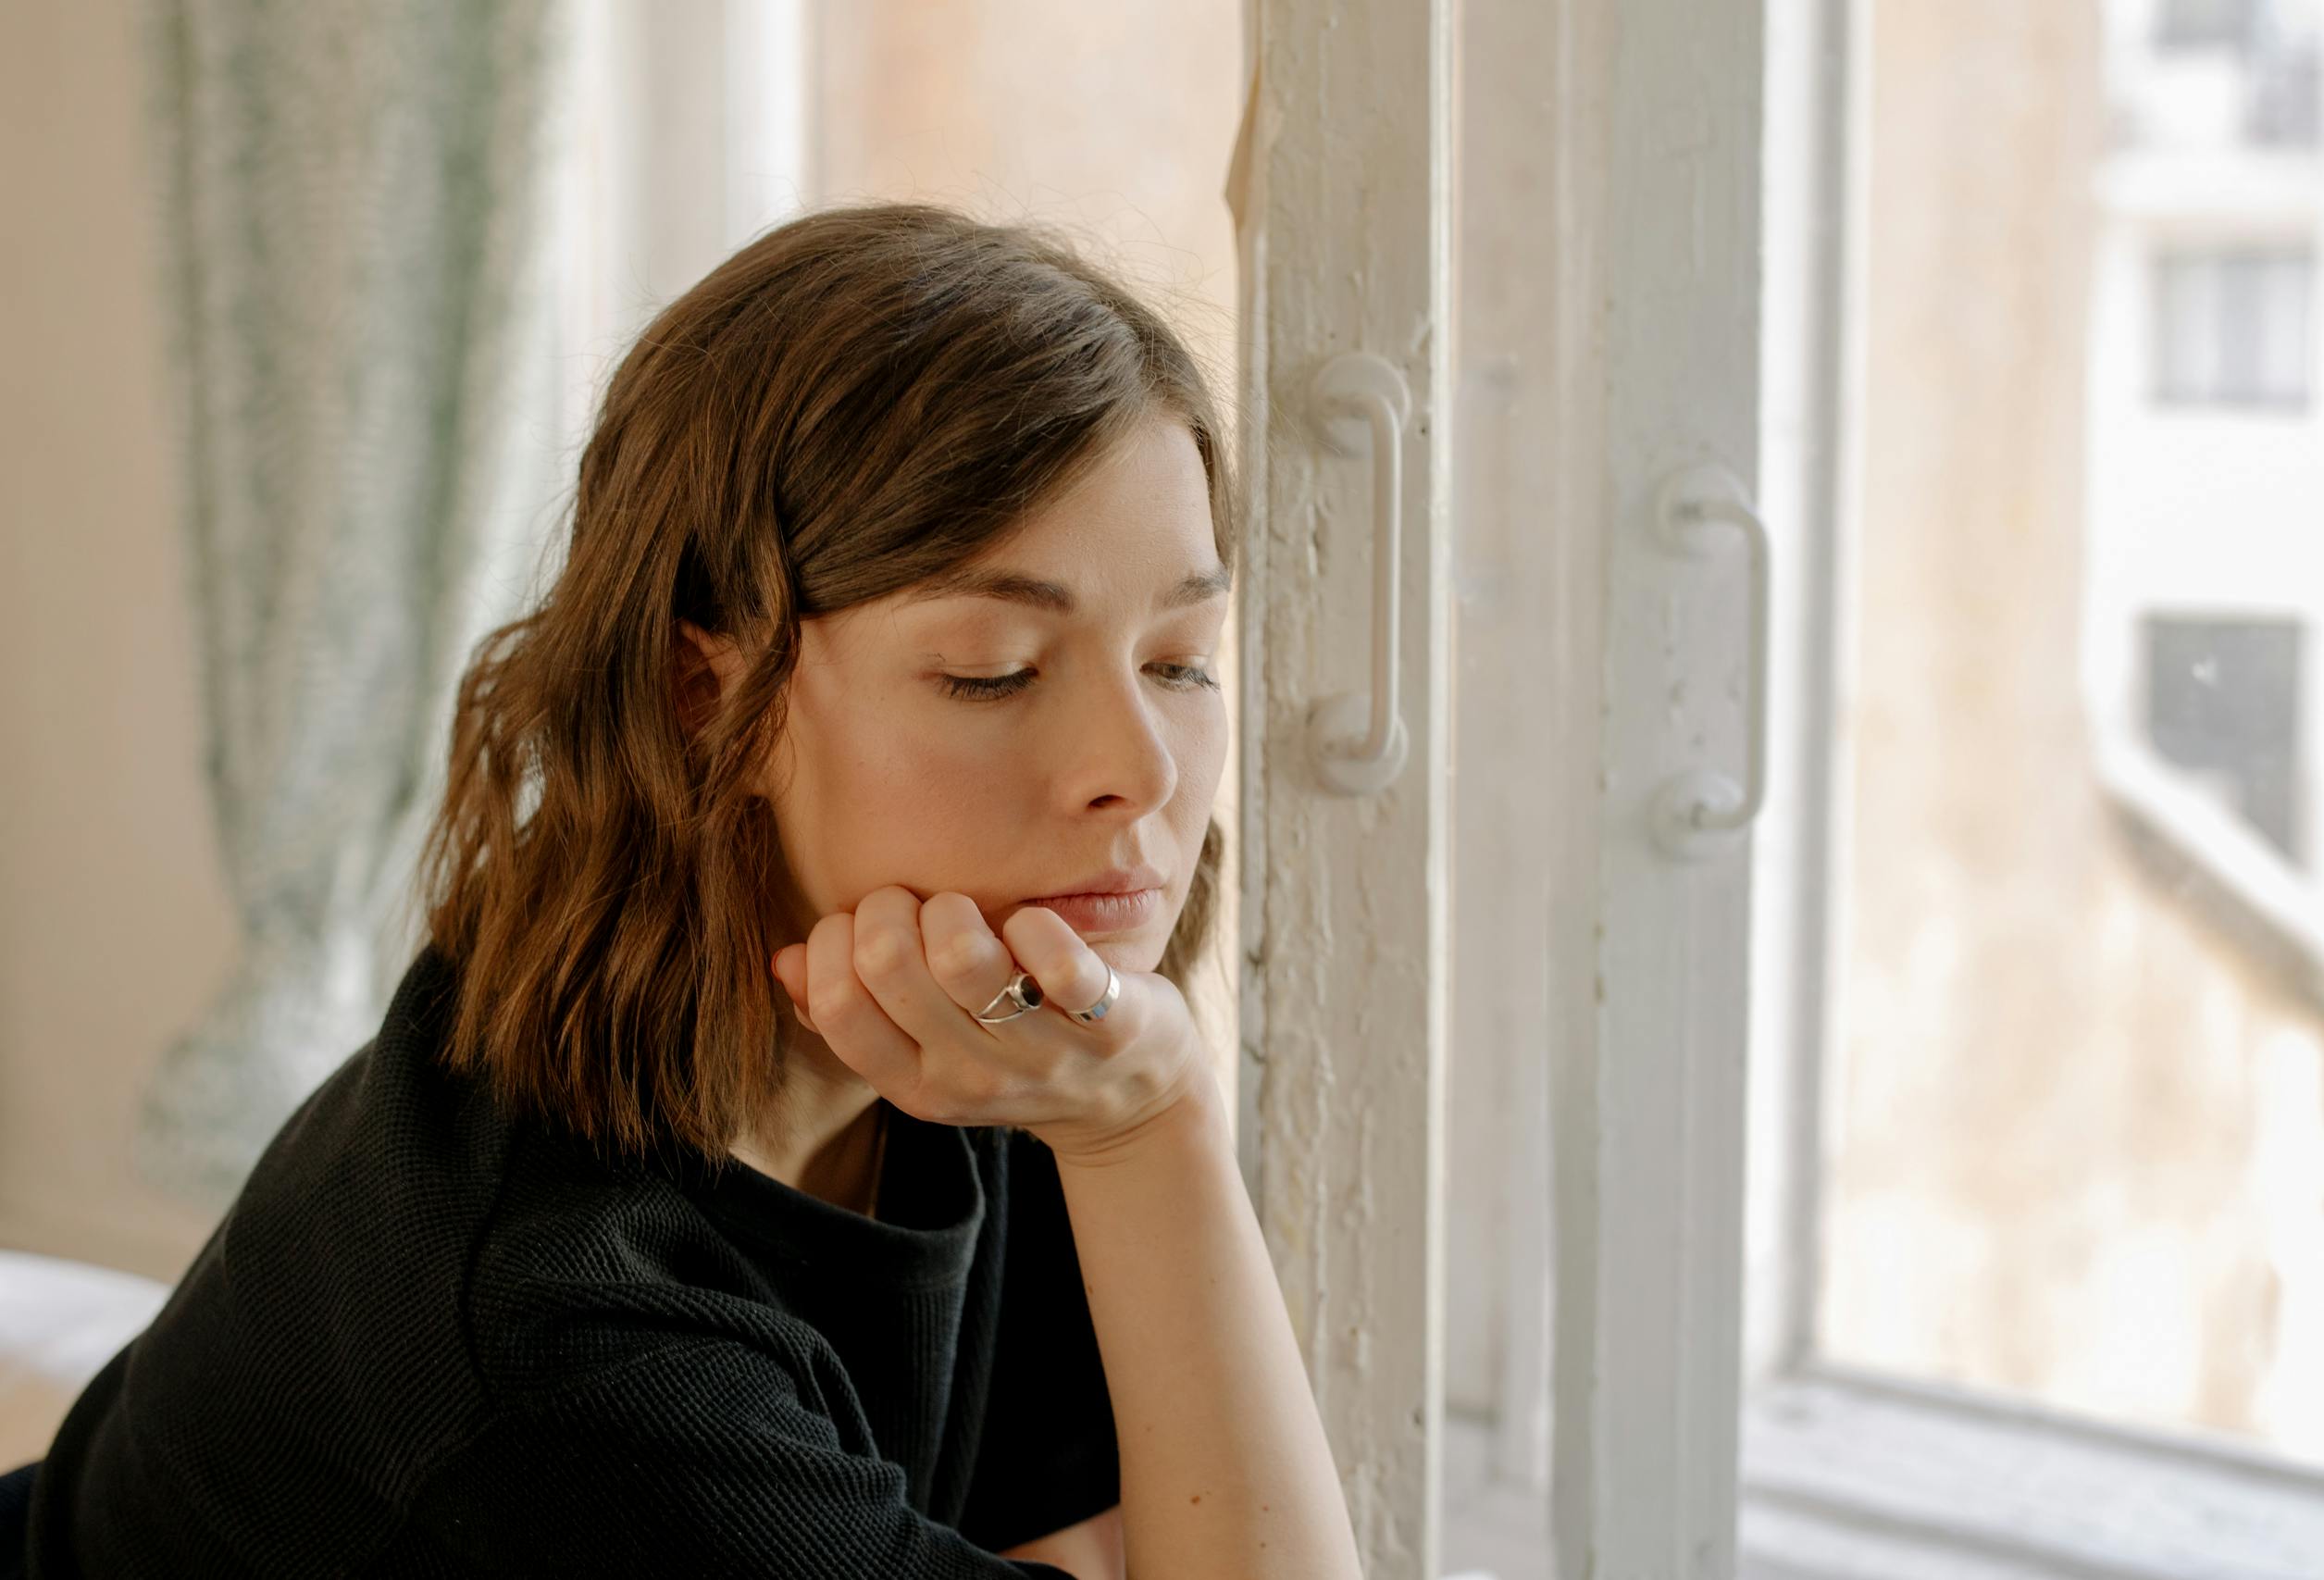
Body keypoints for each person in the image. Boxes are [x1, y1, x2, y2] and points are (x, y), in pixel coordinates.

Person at [19, 204, 1363, 1578]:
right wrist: (1160, 1127)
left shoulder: (989, 1025)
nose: (1138, 771)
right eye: (994, 669)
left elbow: (1081, 1536)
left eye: (1181, 659)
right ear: (706, 696)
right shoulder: (567, 1347)